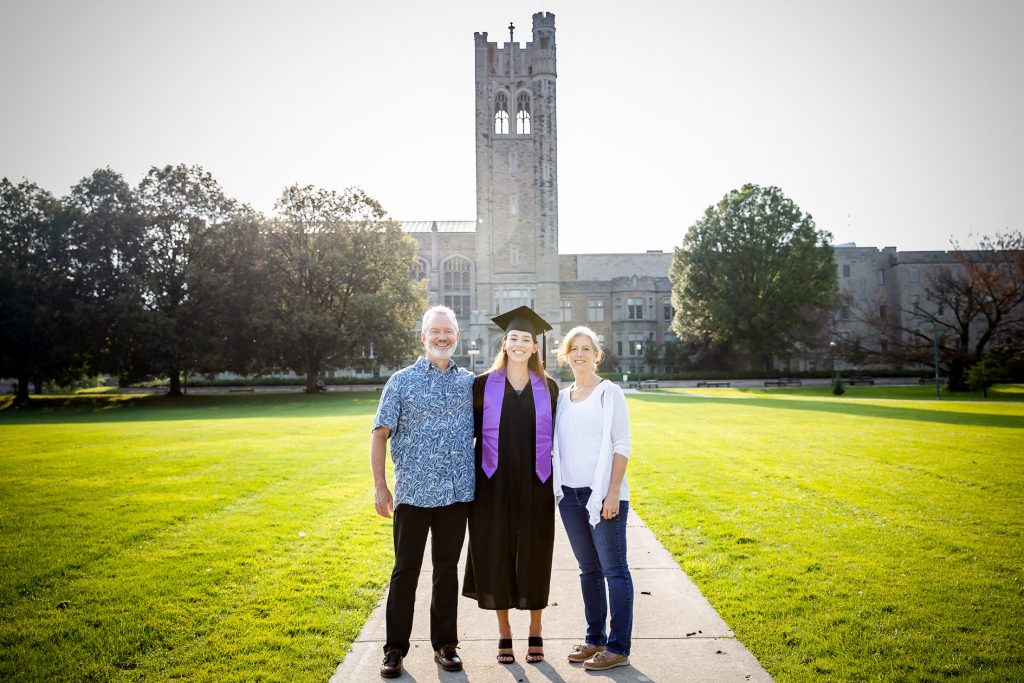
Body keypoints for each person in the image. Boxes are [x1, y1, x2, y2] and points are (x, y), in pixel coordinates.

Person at [370, 305, 475, 678]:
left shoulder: (471, 384)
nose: (442, 337)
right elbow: (379, 434)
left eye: (448, 331)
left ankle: (446, 645)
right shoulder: (401, 381)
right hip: (412, 495)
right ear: (423, 337)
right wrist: (380, 486)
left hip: (456, 495)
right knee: (405, 572)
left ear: (457, 336)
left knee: (447, 571)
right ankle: (394, 649)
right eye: (435, 331)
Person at [462, 305, 558, 665]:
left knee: (536, 550)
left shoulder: (549, 388)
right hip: (492, 483)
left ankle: (536, 628)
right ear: (504, 343)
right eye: (513, 338)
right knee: (495, 550)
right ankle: (504, 632)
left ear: (535, 347)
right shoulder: (481, 385)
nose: (519, 344)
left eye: (526, 339)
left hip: (536, 482)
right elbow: (465, 435)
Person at [552, 325, 634, 671]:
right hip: (569, 496)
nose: (580, 354)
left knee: (614, 570)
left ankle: (618, 648)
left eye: (586, 348)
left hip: (602, 495)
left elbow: (622, 445)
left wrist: (612, 492)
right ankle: (595, 639)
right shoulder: (562, 397)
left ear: (597, 355)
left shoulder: (608, 392)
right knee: (588, 569)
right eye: (574, 348)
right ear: (565, 355)